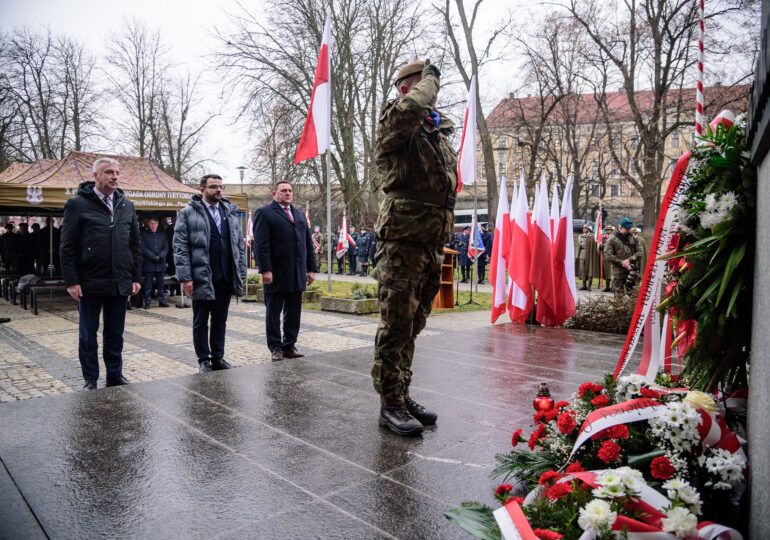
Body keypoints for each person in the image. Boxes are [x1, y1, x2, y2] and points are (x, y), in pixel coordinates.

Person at [372, 59, 457, 436]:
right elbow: (411, 109)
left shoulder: (434, 132)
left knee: (413, 327)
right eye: (425, 85)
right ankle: (389, 405)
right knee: (395, 327)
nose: (432, 91)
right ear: (408, 88)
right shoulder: (397, 121)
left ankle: (402, 394)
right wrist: (430, 80)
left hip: (430, 243)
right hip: (402, 243)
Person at [60, 157, 142, 390]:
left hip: (119, 281)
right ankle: (90, 378)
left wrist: (136, 277)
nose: (115, 176)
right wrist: (72, 281)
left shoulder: (126, 205)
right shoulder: (77, 204)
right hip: (89, 282)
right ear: (95, 175)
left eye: (117, 172)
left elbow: (135, 244)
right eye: (109, 172)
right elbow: (67, 246)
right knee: (88, 334)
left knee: (115, 333)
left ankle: (114, 374)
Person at [173, 174, 247, 373]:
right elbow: (180, 247)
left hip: (225, 276)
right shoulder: (188, 213)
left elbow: (238, 245)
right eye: (214, 186)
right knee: (200, 320)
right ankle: (203, 359)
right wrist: (185, 277)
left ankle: (218, 357)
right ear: (202, 189)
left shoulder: (229, 212)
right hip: (201, 276)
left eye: (221, 186)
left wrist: (240, 272)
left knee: (220, 320)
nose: (218, 190)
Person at [253, 180, 317, 362]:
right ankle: (275, 347)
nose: (288, 193)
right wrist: (265, 269)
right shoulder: (264, 213)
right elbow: (261, 245)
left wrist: (311, 268)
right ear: (274, 194)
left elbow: (307, 244)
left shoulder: (299, 215)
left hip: (297, 273)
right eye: (283, 191)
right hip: (275, 273)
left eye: (290, 190)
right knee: (273, 312)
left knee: (294, 312)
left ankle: (289, 345)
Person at [604, 217, 642, 294]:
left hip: (632, 271)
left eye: (630, 228)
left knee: (634, 296)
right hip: (618, 272)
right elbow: (608, 255)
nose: (629, 230)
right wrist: (622, 262)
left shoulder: (634, 239)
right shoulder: (612, 240)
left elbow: (640, 252)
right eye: (627, 229)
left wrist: (629, 260)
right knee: (618, 297)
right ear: (620, 227)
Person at [141, 216, 169, 308]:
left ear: (158, 224)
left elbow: (166, 248)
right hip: (149, 262)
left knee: (161, 284)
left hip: (160, 262)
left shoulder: (162, 234)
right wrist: (153, 256)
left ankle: (162, 301)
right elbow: (143, 248)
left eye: (155, 224)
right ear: (148, 224)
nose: (154, 225)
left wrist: (160, 256)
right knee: (148, 284)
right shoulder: (144, 234)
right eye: (152, 224)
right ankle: (147, 302)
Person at [576, 224, 594, 290]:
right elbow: (578, 246)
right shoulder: (580, 236)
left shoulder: (592, 237)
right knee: (582, 269)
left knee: (589, 270)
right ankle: (584, 285)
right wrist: (577, 255)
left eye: (585, 228)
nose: (584, 229)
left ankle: (589, 285)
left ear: (589, 229)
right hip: (582, 254)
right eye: (583, 228)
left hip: (589, 254)